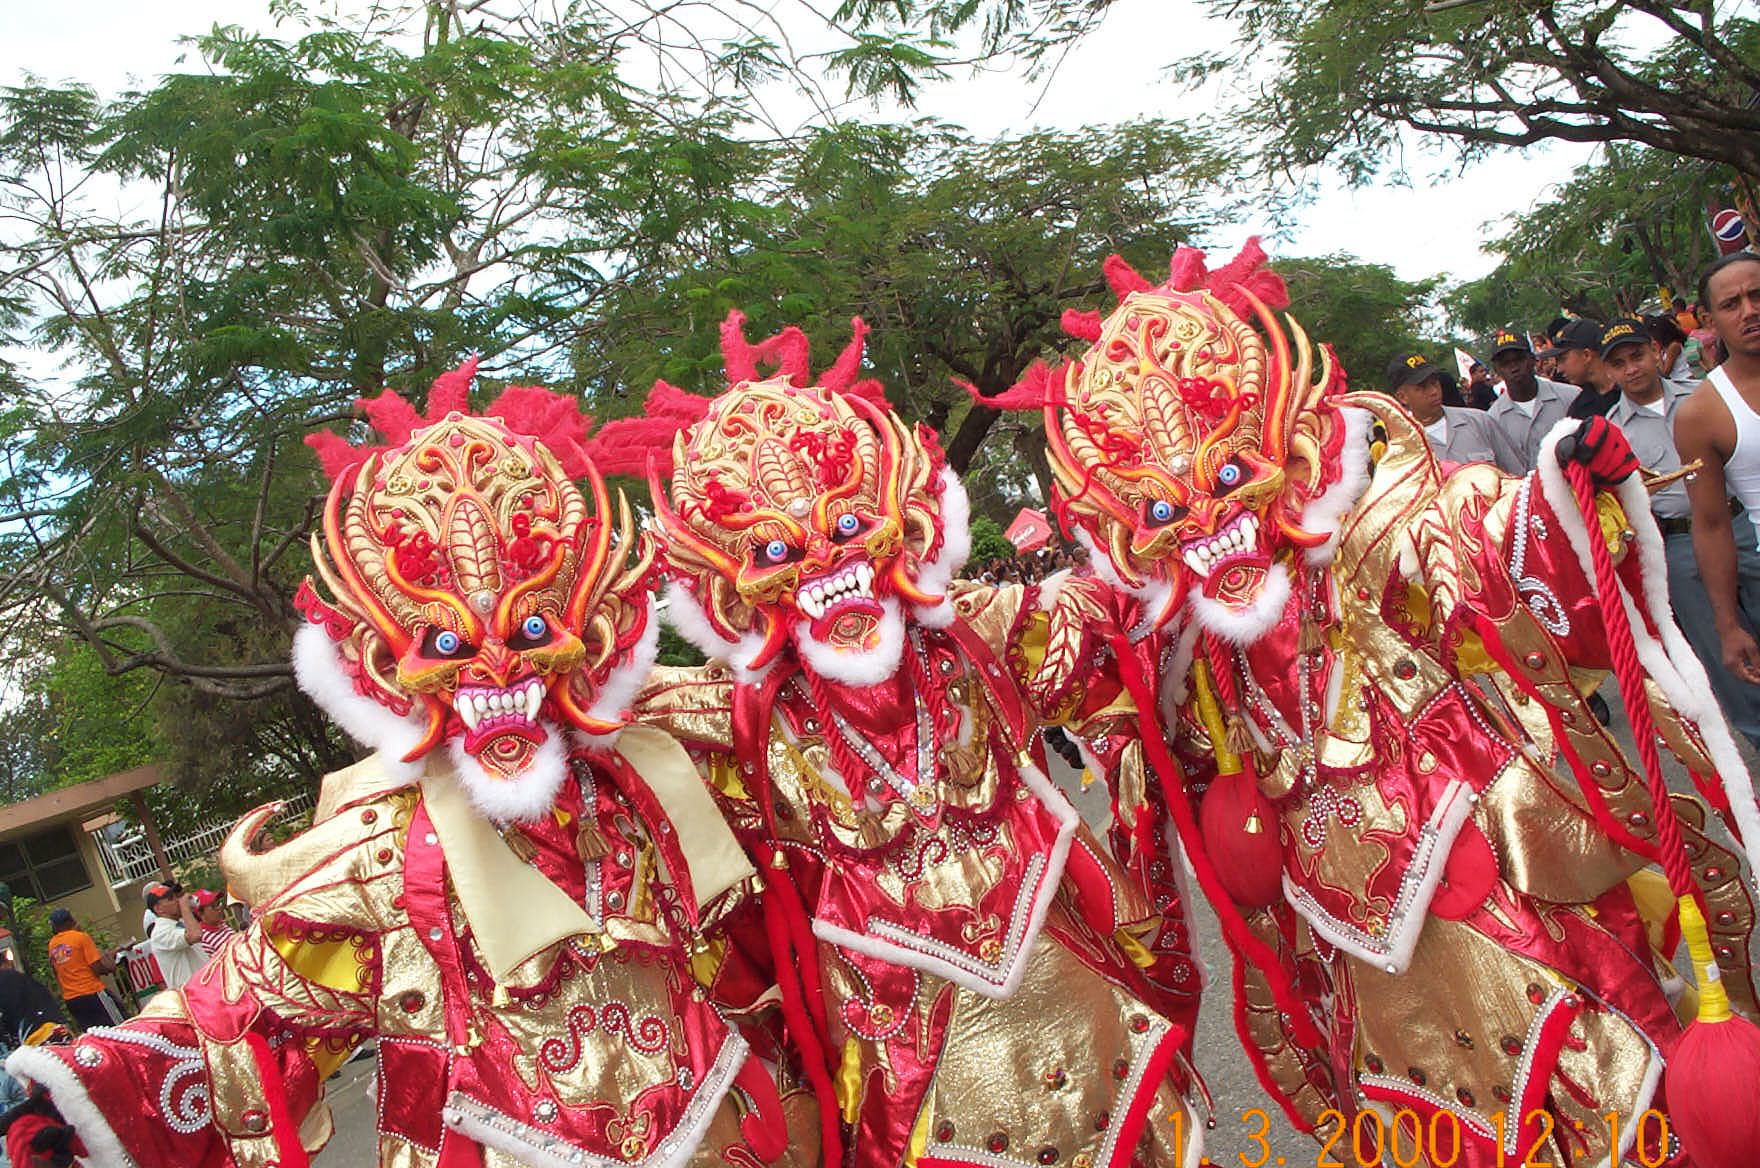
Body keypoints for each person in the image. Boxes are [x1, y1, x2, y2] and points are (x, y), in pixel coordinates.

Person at [988, 242, 1760, 1166]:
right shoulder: (1166, 624)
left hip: (1471, 864)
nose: (1206, 522)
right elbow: (1025, 638)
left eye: (1230, 479)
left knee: (1599, 1091)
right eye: (1164, 509)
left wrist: (1557, 494)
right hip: (1341, 929)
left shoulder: (1366, 525)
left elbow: (1471, 532)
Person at [6, 363, 796, 1168]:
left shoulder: (657, 789)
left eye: (529, 631)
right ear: (385, 667)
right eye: (448, 645)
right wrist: (86, 1095)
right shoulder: (387, 858)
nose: (492, 670)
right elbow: (244, 1013)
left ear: (589, 634)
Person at [610, 313, 1204, 1168]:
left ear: (904, 520)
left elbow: (1131, 610)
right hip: (901, 1062)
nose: (826, 562)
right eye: (781, 548)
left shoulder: (986, 633)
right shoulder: (720, 726)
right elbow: (596, 747)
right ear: (732, 590)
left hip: (1078, 1009)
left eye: (848, 528)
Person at [1602, 317, 1760, 746]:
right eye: (1619, 363)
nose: (1631, 368)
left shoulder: (1706, 397)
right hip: (1679, 545)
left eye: (1636, 355)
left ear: (1656, 353)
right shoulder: (1611, 432)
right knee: (1719, 643)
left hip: (1739, 523)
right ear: (1609, 374)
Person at [1677, 251, 1760, 686]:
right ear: (1708, 319)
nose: (1749, 311)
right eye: (1732, 304)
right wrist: (1728, 626)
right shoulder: (1701, 414)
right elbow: (1711, 524)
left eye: (1757, 295)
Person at [1385, 352, 1524, 472]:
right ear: (1402, 396)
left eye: (1434, 383)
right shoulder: (1401, 450)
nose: (1434, 391)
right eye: (1422, 387)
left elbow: (1518, 476)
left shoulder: (1479, 421)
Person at [1485, 328, 1575, 471]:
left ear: (1533, 360)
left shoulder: (1570, 397)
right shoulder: (1493, 420)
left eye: (1519, 359)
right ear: (1497, 370)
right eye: (1505, 363)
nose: (1513, 368)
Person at [43, 911, 119, 1035]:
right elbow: (96, 968)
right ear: (70, 921)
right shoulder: (81, 937)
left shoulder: (52, 945)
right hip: (92, 993)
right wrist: (110, 967)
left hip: (72, 1000)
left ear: (55, 926)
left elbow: (56, 973)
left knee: (93, 1035)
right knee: (117, 1030)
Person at [1544, 317, 1621, 417]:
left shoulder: (1632, 386)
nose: (1559, 369)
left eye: (1563, 359)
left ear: (1586, 355)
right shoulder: (1579, 409)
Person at [143, 887, 203, 992]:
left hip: (204, 987)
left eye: (176, 897)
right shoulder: (160, 933)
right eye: (171, 899)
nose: (177, 901)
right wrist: (185, 908)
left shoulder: (179, 923)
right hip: (192, 994)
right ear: (158, 909)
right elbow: (195, 935)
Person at [191, 891, 233, 960]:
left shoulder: (221, 925)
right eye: (213, 906)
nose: (219, 909)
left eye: (218, 904)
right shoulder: (203, 939)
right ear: (200, 913)